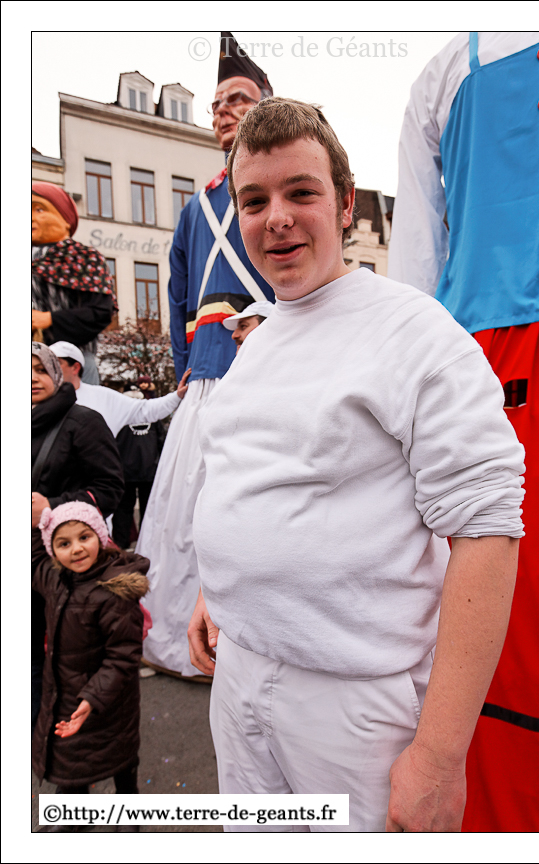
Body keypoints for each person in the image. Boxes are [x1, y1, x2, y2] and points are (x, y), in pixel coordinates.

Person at [187, 98, 525, 833]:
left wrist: (439, 757)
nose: (276, 217)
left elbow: (489, 531)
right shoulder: (259, 340)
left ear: (344, 205)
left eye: (300, 192)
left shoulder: (415, 332)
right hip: (239, 674)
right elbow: (246, 482)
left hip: (352, 705)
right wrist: (222, 593)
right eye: (254, 201)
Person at [386, 32, 539, 832]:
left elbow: (414, 268)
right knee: (496, 610)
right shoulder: (442, 74)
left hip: (489, 359)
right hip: (486, 367)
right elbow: (415, 261)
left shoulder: (444, 73)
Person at [136, 32, 276, 678]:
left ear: (267, 104)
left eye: (239, 99)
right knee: (188, 514)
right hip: (208, 374)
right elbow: (178, 293)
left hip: (268, 370)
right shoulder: (195, 208)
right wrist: (183, 365)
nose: (224, 111)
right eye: (217, 103)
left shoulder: (278, 189)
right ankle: (183, 642)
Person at [32, 502, 149, 833]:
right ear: (52, 549)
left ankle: (129, 808)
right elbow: (32, 558)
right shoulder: (55, 579)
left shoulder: (114, 592)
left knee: (120, 751)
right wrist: (33, 521)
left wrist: (92, 697)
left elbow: (123, 655)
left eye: (84, 537)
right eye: (64, 543)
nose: (76, 549)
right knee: (70, 753)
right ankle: (75, 813)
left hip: (110, 697)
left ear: (100, 536)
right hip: (65, 691)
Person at [31, 342, 124, 732]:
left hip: (62, 566)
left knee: (61, 659)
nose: (31, 379)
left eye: (39, 369)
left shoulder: (83, 421)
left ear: (57, 373)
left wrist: (51, 508)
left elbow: (110, 489)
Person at [32, 182, 117, 385]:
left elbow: (100, 312)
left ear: (65, 219)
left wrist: (49, 319)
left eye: (39, 209)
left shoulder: (84, 257)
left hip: (72, 361)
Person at [49, 341, 190, 438]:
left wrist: (177, 396)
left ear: (75, 367)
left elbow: (145, 410)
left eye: (56, 363)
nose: (49, 368)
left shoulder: (102, 397)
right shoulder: (41, 398)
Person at [112, 388, 167, 550]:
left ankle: (123, 544)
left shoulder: (119, 416)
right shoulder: (148, 416)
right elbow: (162, 442)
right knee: (145, 510)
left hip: (128, 471)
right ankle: (144, 544)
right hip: (144, 470)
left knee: (127, 510)